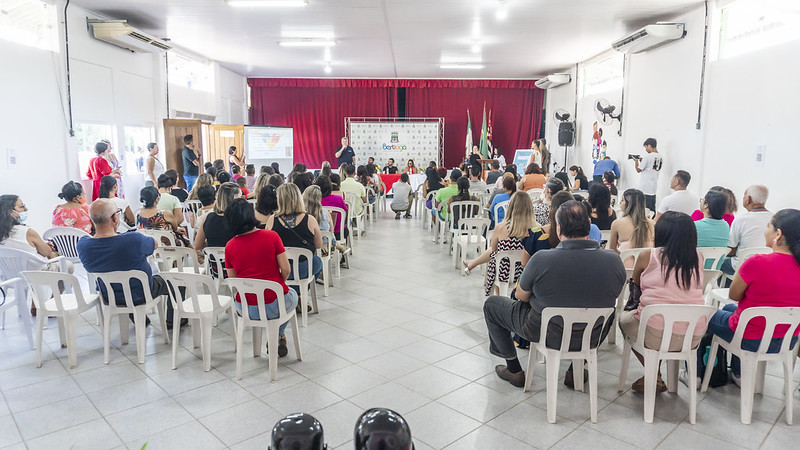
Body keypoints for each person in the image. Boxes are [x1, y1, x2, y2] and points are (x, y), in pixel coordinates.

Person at [483, 200, 626, 388]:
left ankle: (514, 369)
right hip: (591, 335)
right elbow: (614, 294)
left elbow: (521, 296)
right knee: (607, 313)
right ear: (589, 226)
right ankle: (575, 370)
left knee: (492, 305)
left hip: (547, 332)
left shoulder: (541, 259)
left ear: (558, 229)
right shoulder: (614, 261)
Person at [703, 209, 800, 385]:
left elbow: (733, 294)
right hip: (786, 341)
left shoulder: (757, 262)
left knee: (705, 315)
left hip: (750, 338)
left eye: (768, 226)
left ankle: (699, 375)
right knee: (729, 309)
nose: (765, 230)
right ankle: (738, 373)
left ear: (778, 234)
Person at [619, 211, 706, 392]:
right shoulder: (698, 257)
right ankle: (655, 375)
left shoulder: (648, 256)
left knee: (623, 321)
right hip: (692, 335)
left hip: (655, 330)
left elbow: (635, 285)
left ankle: (654, 374)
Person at [77, 199, 182, 327]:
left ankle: (141, 319)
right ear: (115, 218)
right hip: (142, 293)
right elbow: (154, 244)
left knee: (122, 278)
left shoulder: (83, 245)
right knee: (177, 280)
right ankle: (173, 321)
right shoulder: (133, 240)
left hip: (109, 296)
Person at [224, 198, 299, 357]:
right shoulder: (272, 236)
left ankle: (276, 337)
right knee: (293, 296)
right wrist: (277, 285)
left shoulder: (230, 246)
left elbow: (234, 281)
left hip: (245, 308)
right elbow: (286, 269)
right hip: (274, 303)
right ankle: (278, 336)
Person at [464, 191, 547, 294]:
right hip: (526, 272)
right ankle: (473, 263)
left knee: (497, 255)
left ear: (511, 207)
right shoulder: (538, 228)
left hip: (504, 273)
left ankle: (498, 295)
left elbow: (494, 250)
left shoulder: (500, 227)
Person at [266, 184, 323, 283]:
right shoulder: (310, 219)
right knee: (318, 262)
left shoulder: (272, 220)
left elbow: (267, 247)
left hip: (280, 269)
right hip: (304, 267)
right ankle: (302, 291)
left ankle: (293, 292)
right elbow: (318, 245)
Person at [724, 185, 771, 273]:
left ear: (748, 199)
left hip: (743, 266)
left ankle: (730, 286)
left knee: (721, 262)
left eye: (744, 196)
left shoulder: (740, 220)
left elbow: (730, 250)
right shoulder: (774, 218)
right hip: (767, 265)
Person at [609, 188, 655, 259]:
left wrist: (624, 254)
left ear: (629, 204)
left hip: (625, 267)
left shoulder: (617, 224)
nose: (620, 203)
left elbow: (612, 250)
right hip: (647, 267)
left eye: (622, 200)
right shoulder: (652, 224)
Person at [194, 182, 240, 252]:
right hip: (235, 260)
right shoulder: (240, 219)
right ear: (235, 199)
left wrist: (213, 244)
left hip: (214, 261)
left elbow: (197, 246)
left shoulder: (208, 217)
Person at [633, 137, 663, 212]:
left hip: (645, 188)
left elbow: (638, 170)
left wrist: (636, 162)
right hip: (653, 187)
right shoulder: (660, 156)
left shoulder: (647, 156)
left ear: (649, 145)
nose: (646, 150)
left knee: (644, 210)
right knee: (652, 210)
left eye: (646, 147)